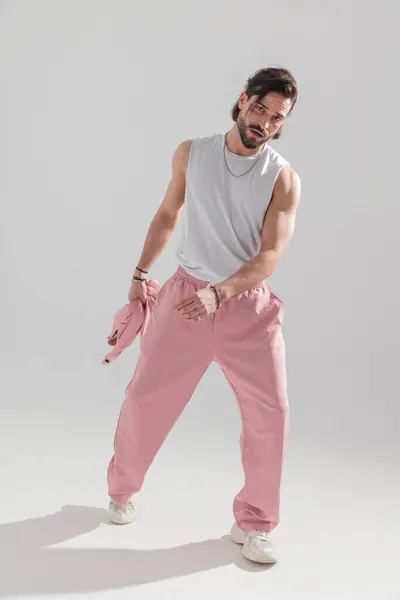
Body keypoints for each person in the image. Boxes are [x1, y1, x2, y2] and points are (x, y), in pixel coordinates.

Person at [106, 66, 301, 564]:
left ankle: (256, 522)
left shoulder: (283, 178)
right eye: (260, 109)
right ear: (242, 100)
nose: (265, 122)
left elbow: (271, 255)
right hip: (184, 300)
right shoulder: (192, 152)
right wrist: (139, 272)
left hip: (248, 308)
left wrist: (223, 293)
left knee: (271, 415)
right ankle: (121, 490)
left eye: (277, 118)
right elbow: (169, 212)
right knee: (146, 398)